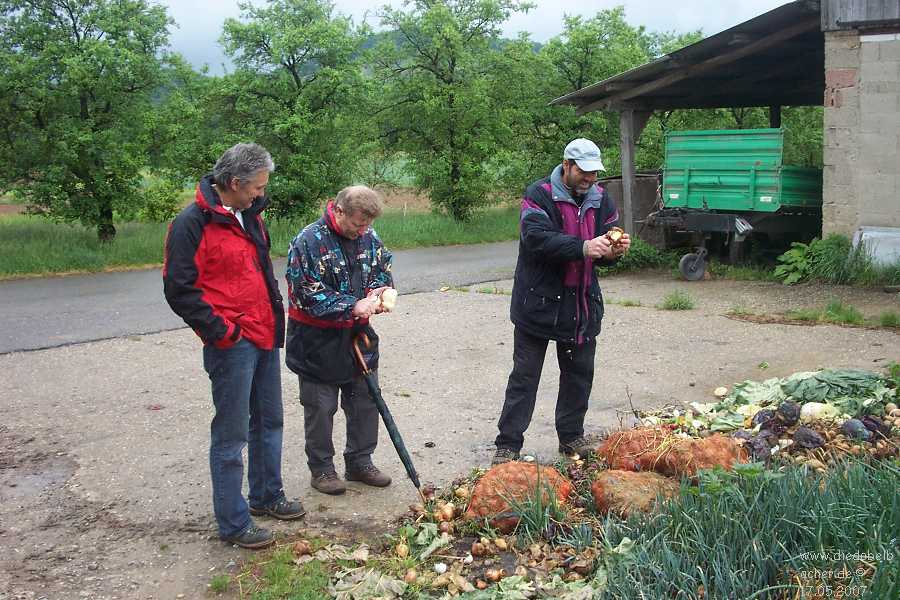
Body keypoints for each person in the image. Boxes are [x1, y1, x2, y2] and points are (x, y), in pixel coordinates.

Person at [163, 143, 304, 549]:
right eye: (257, 187)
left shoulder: (250, 215)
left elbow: (261, 272)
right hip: (231, 343)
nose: (262, 193)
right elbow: (179, 288)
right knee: (231, 435)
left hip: (263, 333)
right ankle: (234, 522)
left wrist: (274, 320)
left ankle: (267, 495)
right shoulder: (191, 223)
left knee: (270, 420)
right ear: (234, 182)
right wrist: (222, 332)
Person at [493, 138, 631, 465]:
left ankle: (571, 437)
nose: (589, 179)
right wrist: (584, 247)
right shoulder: (538, 195)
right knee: (525, 377)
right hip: (537, 304)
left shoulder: (601, 199)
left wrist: (613, 252)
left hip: (581, 305)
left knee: (578, 375)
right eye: (583, 172)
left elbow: (604, 248)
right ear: (566, 165)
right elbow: (537, 239)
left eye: (594, 173)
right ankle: (508, 444)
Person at [285, 185, 395, 495]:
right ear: (338, 211)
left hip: (357, 336)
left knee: (365, 401)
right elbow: (304, 292)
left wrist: (379, 293)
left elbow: (381, 270)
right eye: (358, 224)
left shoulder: (369, 237)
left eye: (367, 225)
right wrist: (351, 305)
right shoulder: (308, 241)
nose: (363, 231)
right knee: (320, 407)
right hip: (316, 339)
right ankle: (322, 469)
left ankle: (360, 462)